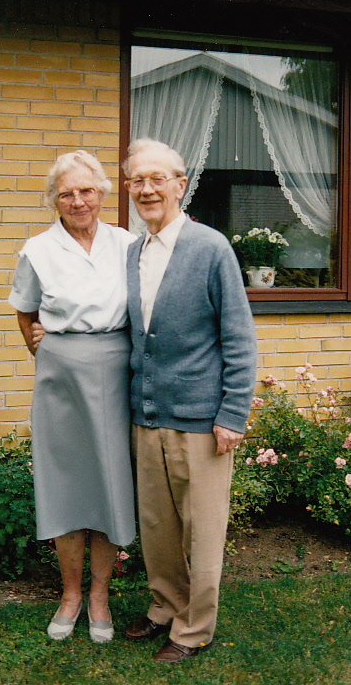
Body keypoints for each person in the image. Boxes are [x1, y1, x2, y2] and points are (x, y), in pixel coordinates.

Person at [123, 138, 258, 664]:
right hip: (147, 413)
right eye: (138, 180)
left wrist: (232, 413)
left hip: (202, 420)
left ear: (181, 184)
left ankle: (194, 628)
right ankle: (164, 607)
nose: (148, 189)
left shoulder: (210, 247)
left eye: (159, 179)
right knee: (157, 526)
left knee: (201, 529)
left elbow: (239, 336)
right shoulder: (135, 251)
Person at [8, 149, 136, 644]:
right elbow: (25, 311)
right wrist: (42, 349)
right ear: (54, 201)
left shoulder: (128, 244)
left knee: (110, 483)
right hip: (61, 377)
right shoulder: (37, 250)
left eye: (86, 190)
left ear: (103, 193)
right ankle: (70, 594)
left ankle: (100, 595)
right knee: (65, 485)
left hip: (118, 368)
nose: (78, 201)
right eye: (67, 193)